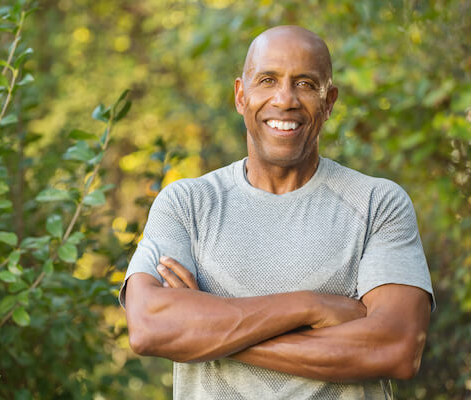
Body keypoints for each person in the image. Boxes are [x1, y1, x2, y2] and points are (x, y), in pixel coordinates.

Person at [120, 25, 434, 399]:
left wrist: (207, 329)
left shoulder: (377, 203)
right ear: (241, 95)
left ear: (329, 101)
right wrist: (310, 306)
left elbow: (396, 348)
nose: (285, 99)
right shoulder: (186, 204)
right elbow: (148, 328)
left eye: (304, 84)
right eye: (267, 80)